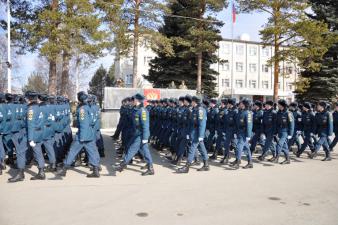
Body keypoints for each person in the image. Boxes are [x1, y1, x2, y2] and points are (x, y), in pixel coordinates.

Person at [57, 91, 101, 178]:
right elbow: (93, 121)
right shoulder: (90, 107)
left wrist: (82, 137)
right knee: (92, 152)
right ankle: (96, 170)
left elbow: (84, 123)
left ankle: (64, 169)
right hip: (90, 134)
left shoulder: (82, 109)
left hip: (83, 135)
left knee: (72, 151)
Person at [115, 94, 155, 176]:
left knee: (132, 149)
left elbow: (145, 126)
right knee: (145, 151)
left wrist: (145, 138)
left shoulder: (143, 111)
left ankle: (122, 165)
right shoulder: (136, 109)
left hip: (141, 135)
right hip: (136, 133)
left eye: (133, 100)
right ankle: (150, 167)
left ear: (136, 100)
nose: (132, 102)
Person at [177, 96, 209, 173]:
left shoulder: (200, 110)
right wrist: (189, 132)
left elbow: (202, 124)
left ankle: (187, 166)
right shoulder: (194, 110)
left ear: (195, 102)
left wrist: (201, 136)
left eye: (192, 101)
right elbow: (191, 123)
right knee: (202, 148)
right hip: (193, 132)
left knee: (192, 148)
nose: (191, 103)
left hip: (198, 133)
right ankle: (206, 165)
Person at [231, 99, 253, 169]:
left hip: (244, 133)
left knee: (238, 147)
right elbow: (236, 123)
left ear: (244, 104)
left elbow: (249, 125)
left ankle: (238, 162)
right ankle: (250, 163)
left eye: (241, 103)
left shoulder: (248, 113)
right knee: (246, 148)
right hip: (239, 132)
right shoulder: (239, 112)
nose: (239, 104)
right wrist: (235, 132)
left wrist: (248, 135)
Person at [274, 99, 294, 164]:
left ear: (282, 105)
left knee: (279, 144)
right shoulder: (278, 112)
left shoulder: (289, 113)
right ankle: (288, 159)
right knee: (285, 146)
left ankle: (277, 157)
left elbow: (292, 124)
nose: (278, 105)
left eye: (279, 104)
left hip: (285, 132)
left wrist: (290, 134)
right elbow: (277, 123)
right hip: (280, 131)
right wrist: (276, 131)